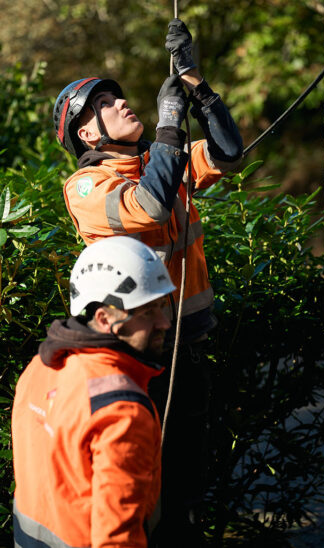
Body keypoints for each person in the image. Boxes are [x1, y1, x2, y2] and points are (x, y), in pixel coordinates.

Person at [53, 18, 243, 546]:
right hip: (142, 358)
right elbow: (149, 206)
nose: (120, 103)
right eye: (104, 105)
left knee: (183, 489)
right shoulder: (88, 186)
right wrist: (167, 124)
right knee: (143, 491)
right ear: (86, 134)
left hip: (190, 345)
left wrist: (195, 85)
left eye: (117, 97)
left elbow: (229, 154)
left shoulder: (160, 161)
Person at [12, 236, 176, 548]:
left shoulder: (42, 367)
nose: (164, 323)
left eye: (161, 306)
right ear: (104, 319)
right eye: (147, 313)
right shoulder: (122, 411)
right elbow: (117, 539)